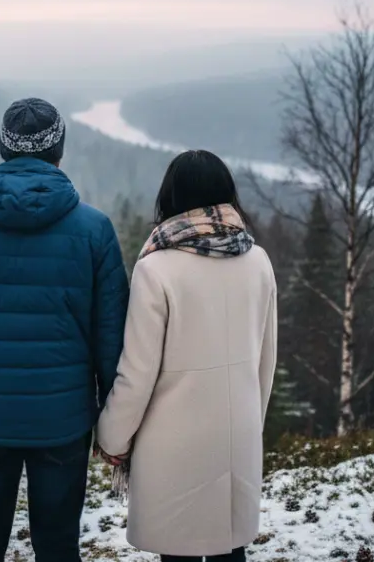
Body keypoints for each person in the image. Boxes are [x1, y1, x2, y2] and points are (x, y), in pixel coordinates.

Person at [0, 97, 129, 562]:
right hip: (63, 421)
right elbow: (111, 337)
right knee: (58, 548)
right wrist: (113, 423)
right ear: (59, 151)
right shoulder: (94, 229)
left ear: (3, 148)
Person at [96, 150, 278, 562]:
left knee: (179, 552)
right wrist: (252, 421)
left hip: (174, 444)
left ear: (171, 198)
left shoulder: (156, 268)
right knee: (231, 549)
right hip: (238, 436)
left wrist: (112, 437)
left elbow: (137, 372)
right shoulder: (259, 261)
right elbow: (265, 363)